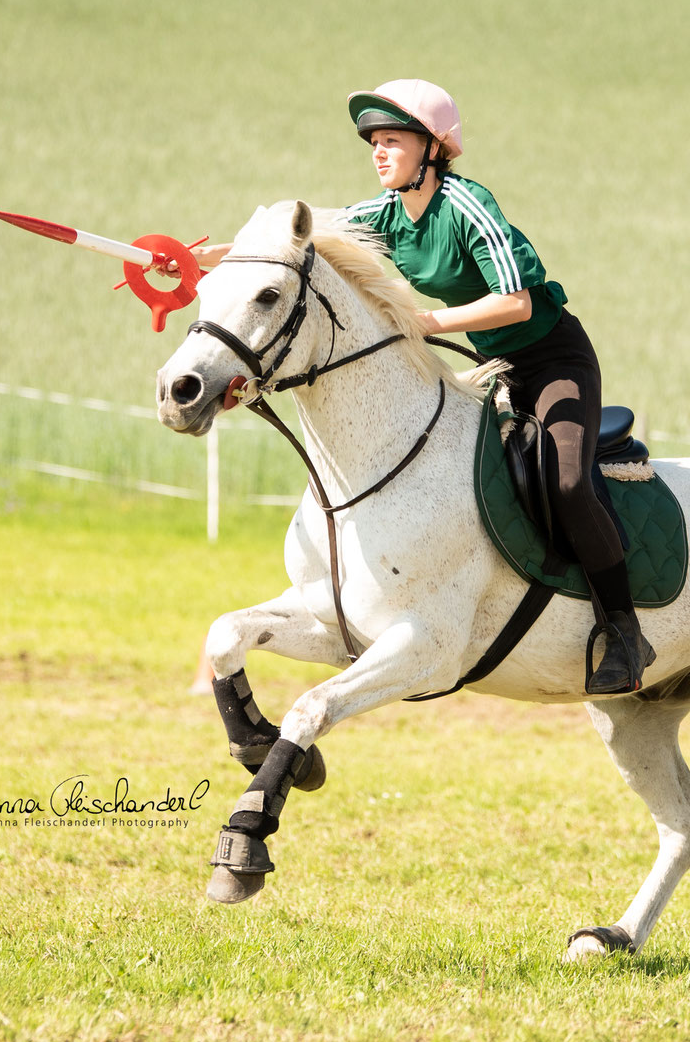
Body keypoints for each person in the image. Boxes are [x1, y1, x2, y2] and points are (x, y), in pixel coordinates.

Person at [208, 79, 654, 694]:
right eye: (374, 142)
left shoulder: (467, 205)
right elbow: (287, 248)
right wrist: (192, 260)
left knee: (569, 481)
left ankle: (624, 630)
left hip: (554, 363)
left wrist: (425, 323)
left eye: (393, 140)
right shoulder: (384, 214)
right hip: (495, 369)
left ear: (433, 148)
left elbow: (518, 303)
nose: (379, 152)